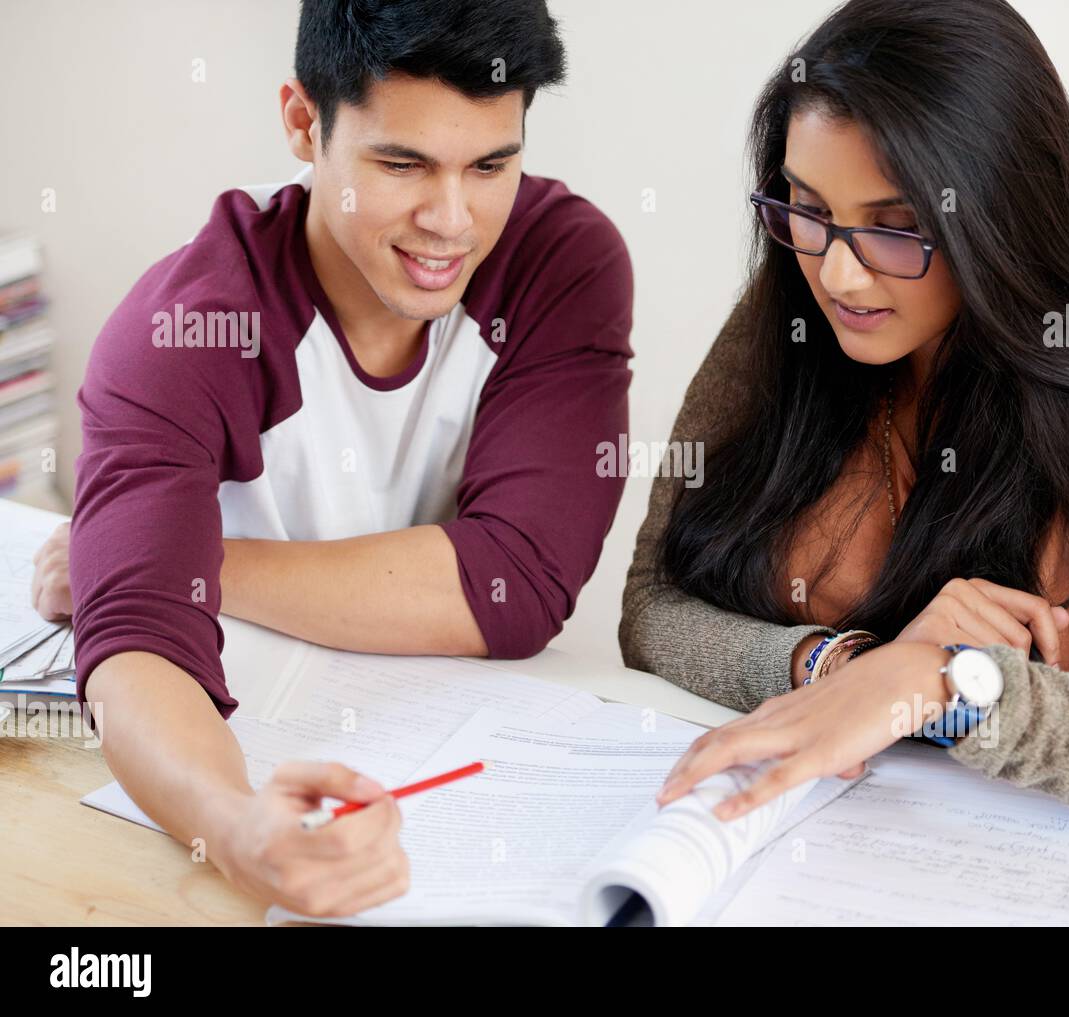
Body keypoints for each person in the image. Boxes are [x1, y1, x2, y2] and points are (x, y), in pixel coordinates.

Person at [621, 0, 1069, 843]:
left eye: (897, 227)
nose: (838, 272)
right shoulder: (793, 309)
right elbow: (651, 607)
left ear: (1004, 212)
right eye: (806, 204)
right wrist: (840, 667)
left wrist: (950, 684)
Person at [30, 0, 633, 917]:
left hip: (471, 772)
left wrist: (188, 567)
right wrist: (231, 829)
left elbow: (516, 585)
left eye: (491, 165)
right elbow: (139, 646)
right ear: (305, 124)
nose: (451, 220)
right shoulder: (185, 329)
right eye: (402, 163)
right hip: (244, 743)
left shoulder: (561, 263)